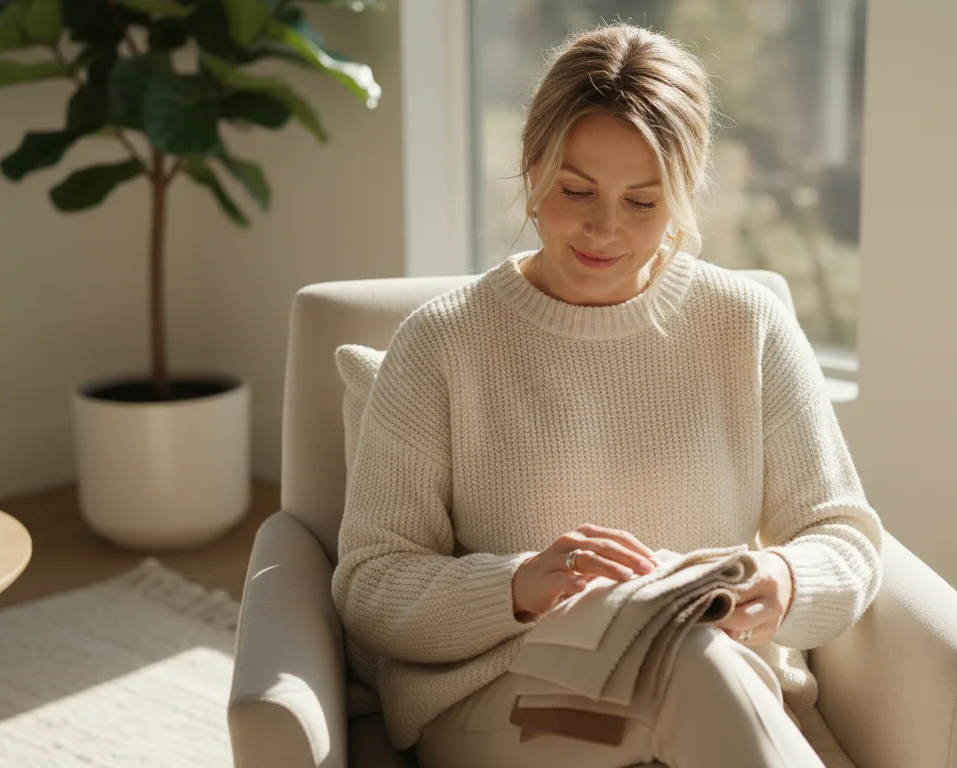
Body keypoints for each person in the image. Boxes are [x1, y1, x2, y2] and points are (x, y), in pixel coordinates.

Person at [332, 22, 883, 768]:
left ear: (684, 195)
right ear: (532, 169)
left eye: (643, 202)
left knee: (686, 657)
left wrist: (780, 579)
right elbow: (370, 582)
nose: (604, 229)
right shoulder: (442, 344)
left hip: (713, 687)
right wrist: (521, 586)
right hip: (506, 703)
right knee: (688, 661)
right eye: (577, 190)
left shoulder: (745, 325)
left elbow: (843, 536)